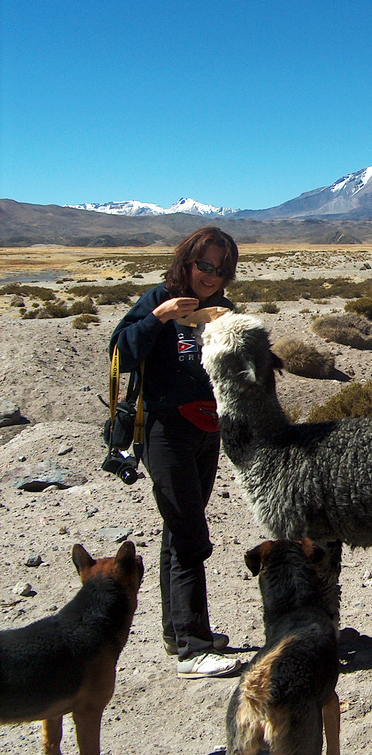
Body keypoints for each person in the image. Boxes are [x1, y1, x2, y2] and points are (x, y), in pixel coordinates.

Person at [110, 227, 242, 678]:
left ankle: (178, 630)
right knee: (189, 532)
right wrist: (160, 317)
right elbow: (120, 354)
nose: (211, 275)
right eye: (204, 265)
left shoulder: (223, 309)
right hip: (164, 430)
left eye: (221, 269)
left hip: (208, 429)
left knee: (176, 529)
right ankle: (193, 647)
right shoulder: (157, 300)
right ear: (186, 261)